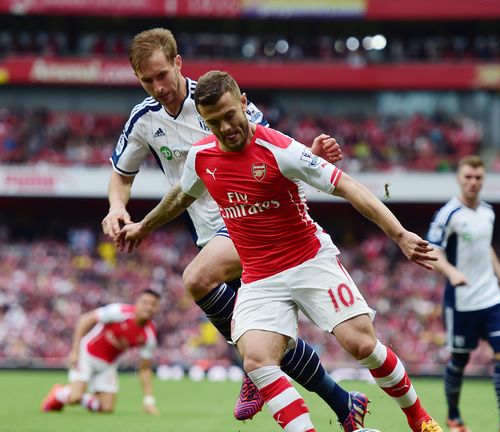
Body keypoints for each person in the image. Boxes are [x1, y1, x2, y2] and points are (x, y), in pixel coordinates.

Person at [117, 70, 444, 432]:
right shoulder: (201, 157)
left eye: (229, 115)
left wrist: (399, 235)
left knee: (361, 344)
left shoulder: (279, 148)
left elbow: (347, 186)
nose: (225, 128)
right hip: (260, 277)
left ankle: (420, 419)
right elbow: (181, 194)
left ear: (243, 103)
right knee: (257, 361)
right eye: (213, 122)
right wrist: (143, 226)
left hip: (308, 260)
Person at [102, 28, 369, 430]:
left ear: (178, 63)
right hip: (209, 233)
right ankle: (342, 402)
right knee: (264, 350)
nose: (158, 87)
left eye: (162, 74)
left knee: (197, 279)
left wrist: (307, 156)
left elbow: (268, 142)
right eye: (146, 80)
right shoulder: (144, 120)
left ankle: (257, 368)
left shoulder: (215, 99)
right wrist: (117, 207)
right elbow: (121, 175)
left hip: (253, 218)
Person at [425, 155, 500, 432]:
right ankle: (454, 418)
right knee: (460, 361)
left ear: (483, 179)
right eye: (468, 177)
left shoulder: (488, 212)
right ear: (459, 178)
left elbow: (486, 247)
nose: (473, 182)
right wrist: (452, 273)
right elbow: (432, 250)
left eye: (478, 177)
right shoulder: (448, 214)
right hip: (462, 302)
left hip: (491, 298)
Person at [40, 289, 161, 415]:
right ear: (137, 303)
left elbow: (145, 368)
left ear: (157, 308)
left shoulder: (150, 333)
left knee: (106, 409)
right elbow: (85, 319)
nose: (148, 307)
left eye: (153, 305)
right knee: (75, 398)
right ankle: (58, 393)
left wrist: (149, 401)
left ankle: (82, 398)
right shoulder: (119, 312)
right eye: (145, 303)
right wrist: (75, 351)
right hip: (87, 355)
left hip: (108, 365)